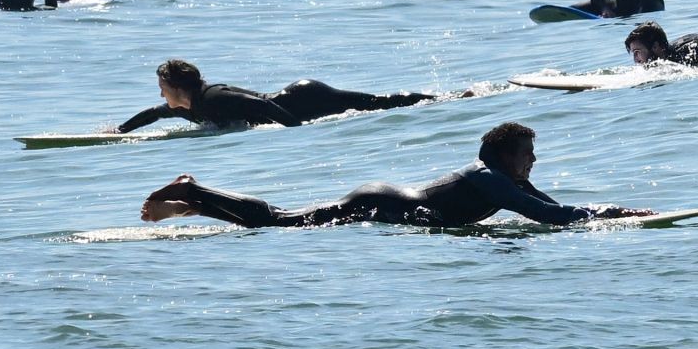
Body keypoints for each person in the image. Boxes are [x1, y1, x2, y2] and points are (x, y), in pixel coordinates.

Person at [138, 121, 648, 228]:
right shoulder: (491, 178)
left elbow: (551, 207)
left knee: (277, 222)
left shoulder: (504, 178)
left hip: (389, 203)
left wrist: (605, 211)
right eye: (527, 155)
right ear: (503, 155)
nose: (532, 163)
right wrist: (614, 216)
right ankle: (194, 188)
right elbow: (546, 217)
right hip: (378, 204)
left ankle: (192, 206)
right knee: (279, 221)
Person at [119, 57, 437, 135]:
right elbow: (155, 113)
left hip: (305, 99)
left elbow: (261, 105)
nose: (160, 92)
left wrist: (295, 129)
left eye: (162, 86)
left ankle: (436, 100)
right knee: (371, 103)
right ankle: (433, 98)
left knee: (373, 104)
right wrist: (120, 132)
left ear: (176, 87)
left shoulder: (214, 98)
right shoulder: (188, 106)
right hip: (295, 100)